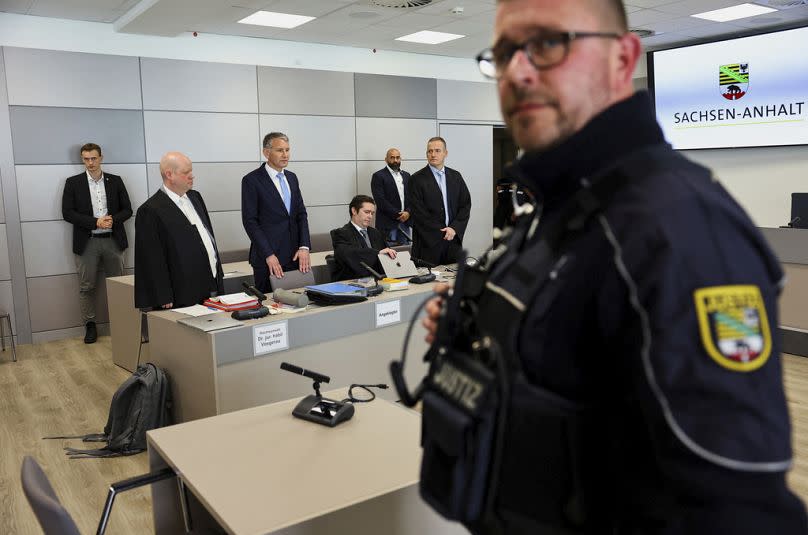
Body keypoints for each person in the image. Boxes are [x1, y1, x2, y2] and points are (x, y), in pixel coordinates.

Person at [420, 0, 807, 532]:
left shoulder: (677, 226)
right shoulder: (559, 207)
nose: (518, 71)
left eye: (547, 44)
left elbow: (733, 505)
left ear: (623, 58)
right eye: (505, 52)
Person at [62, 142, 132, 344]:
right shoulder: (72, 183)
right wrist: (95, 222)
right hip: (87, 242)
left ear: (101, 157)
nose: (90, 163)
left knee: (119, 285)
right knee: (86, 287)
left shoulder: (116, 181)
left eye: (93, 158)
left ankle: (121, 324)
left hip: (113, 241)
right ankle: (90, 326)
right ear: (82, 159)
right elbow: (67, 213)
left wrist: (113, 219)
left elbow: (128, 209)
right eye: (86, 159)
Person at [134, 152, 223, 310]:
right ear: (169, 175)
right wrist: (163, 294)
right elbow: (152, 257)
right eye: (186, 172)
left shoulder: (195, 197)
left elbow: (207, 236)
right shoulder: (150, 210)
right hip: (180, 291)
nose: (192, 176)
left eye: (191, 171)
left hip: (210, 282)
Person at [242, 132, 311, 293]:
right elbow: (250, 221)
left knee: (299, 305)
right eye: (280, 150)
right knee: (272, 309)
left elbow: (301, 214)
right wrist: (268, 254)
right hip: (269, 260)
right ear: (266, 152)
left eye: (287, 150)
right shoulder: (252, 180)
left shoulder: (292, 178)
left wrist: (304, 246)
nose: (285, 155)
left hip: (295, 257)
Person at [408, 137, 471, 266]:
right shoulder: (416, 179)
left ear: (445, 153)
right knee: (430, 283)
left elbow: (465, 205)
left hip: (453, 241)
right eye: (430, 151)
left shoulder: (456, 176)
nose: (433, 154)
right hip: (428, 244)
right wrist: (441, 232)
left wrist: (454, 228)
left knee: (454, 281)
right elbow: (418, 213)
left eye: (437, 150)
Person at [330, 195, 397, 281]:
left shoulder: (376, 233)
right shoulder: (340, 233)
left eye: (372, 213)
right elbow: (350, 254)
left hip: (378, 281)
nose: (370, 216)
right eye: (366, 212)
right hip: (352, 282)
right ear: (354, 211)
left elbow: (387, 257)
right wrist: (378, 252)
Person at [371, 148, 412, 246]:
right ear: (386, 159)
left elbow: (413, 198)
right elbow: (380, 201)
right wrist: (399, 215)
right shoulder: (378, 176)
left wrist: (408, 212)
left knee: (406, 253)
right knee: (389, 254)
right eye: (392, 158)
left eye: (397, 157)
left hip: (405, 223)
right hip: (387, 223)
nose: (395, 160)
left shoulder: (407, 176)